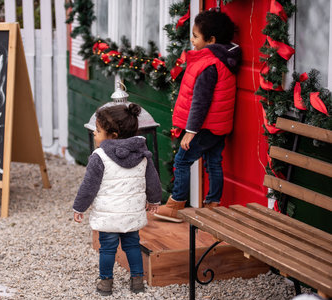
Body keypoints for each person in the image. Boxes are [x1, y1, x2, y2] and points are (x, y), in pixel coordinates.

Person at [154, 10, 242, 222]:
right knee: (213, 163)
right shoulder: (224, 59)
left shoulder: (209, 64)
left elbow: (200, 102)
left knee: (182, 161)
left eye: (195, 36)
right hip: (218, 126)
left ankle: (176, 205)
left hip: (204, 126)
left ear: (211, 40)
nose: (191, 40)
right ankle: (213, 206)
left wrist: (191, 131)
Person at [73, 103, 161, 296]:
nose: (95, 134)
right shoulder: (142, 155)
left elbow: (89, 186)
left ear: (112, 135)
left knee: (107, 249)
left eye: (98, 130)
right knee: (132, 245)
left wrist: (79, 207)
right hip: (131, 213)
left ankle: (106, 283)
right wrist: (154, 200)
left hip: (109, 216)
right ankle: (137, 281)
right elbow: (153, 180)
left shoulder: (99, 157)